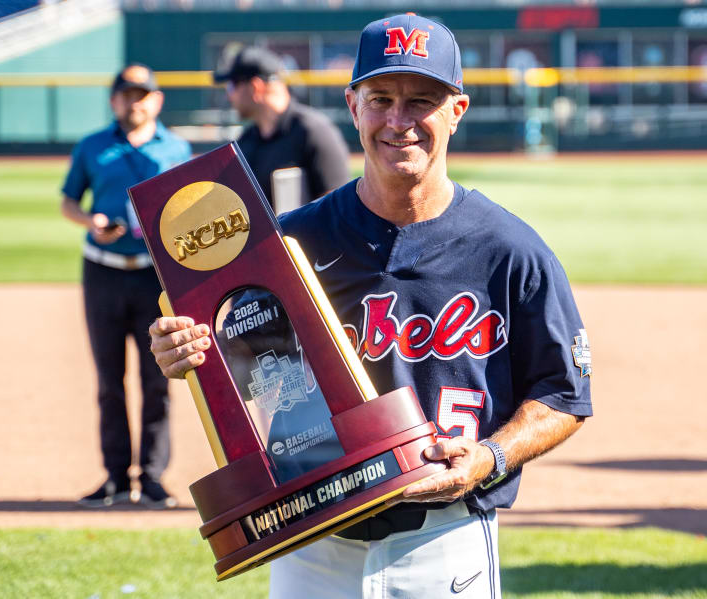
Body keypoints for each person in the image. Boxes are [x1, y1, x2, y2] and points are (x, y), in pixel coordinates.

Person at [149, 13, 592, 598]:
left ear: (456, 110)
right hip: (312, 539)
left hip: (447, 537)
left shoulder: (510, 250)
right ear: (353, 106)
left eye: (422, 101)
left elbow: (563, 395)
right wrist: (190, 349)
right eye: (380, 98)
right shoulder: (288, 246)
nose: (398, 121)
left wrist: (489, 457)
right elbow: (248, 366)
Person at [61, 64, 191, 509]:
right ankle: (115, 478)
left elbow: (188, 206)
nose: (134, 102)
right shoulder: (93, 146)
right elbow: (68, 202)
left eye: (143, 95)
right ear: (114, 100)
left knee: (157, 378)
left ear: (156, 100)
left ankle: (152, 477)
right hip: (103, 270)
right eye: (126, 95)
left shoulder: (176, 148)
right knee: (108, 378)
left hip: (155, 276)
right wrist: (91, 221)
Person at [213, 45, 350, 212]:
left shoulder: (314, 131)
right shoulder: (246, 141)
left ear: (256, 87)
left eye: (232, 86)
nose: (229, 95)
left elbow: (339, 209)